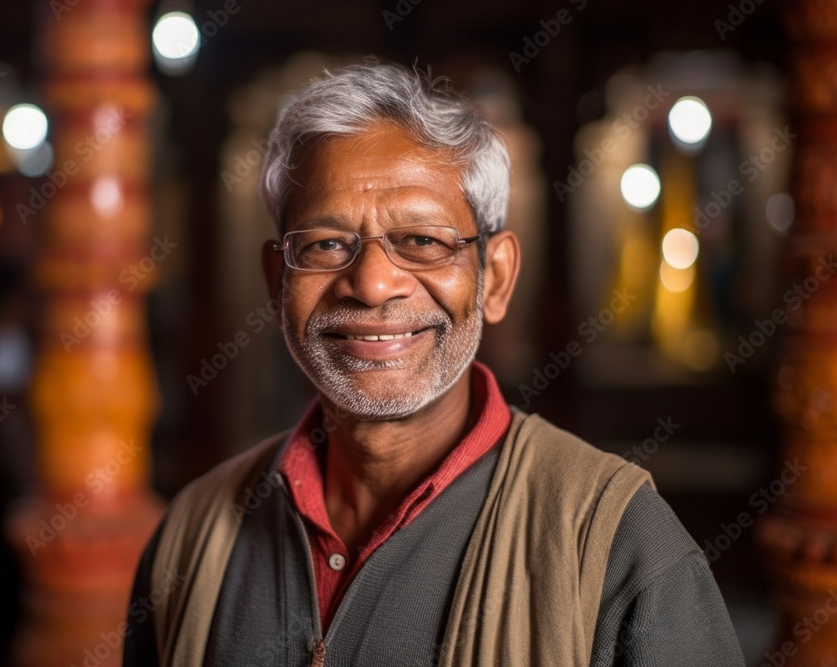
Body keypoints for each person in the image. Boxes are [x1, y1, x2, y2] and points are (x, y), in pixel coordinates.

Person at [123, 62, 744, 666]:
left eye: (422, 241)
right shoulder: (193, 536)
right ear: (276, 280)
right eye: (326, 244)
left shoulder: (615, 542)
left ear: (494, 278)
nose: (371, 284)